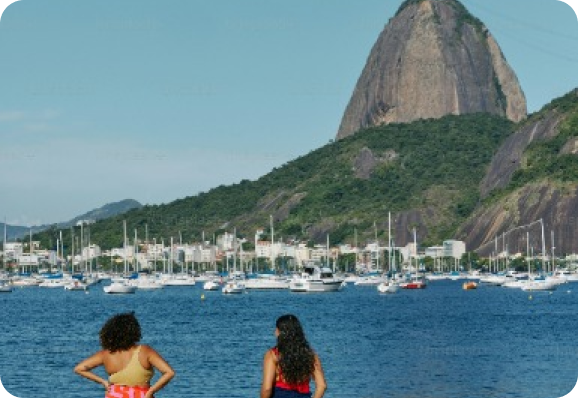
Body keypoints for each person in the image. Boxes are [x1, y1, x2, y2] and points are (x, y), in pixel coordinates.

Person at [74, 312, 175, 398]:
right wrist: (151, 391)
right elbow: (169, 372)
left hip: (114, 394)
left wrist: (103, 382)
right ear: (134, 332)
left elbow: (79, 368)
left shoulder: (106, 354)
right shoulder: (144, 351)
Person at [260, 314, 327, 398]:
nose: (274, 332)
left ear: (280, 332)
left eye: (276, 329)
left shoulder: (273, 355)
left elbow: (267, 389)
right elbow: (322, 386)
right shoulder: (311, 355)